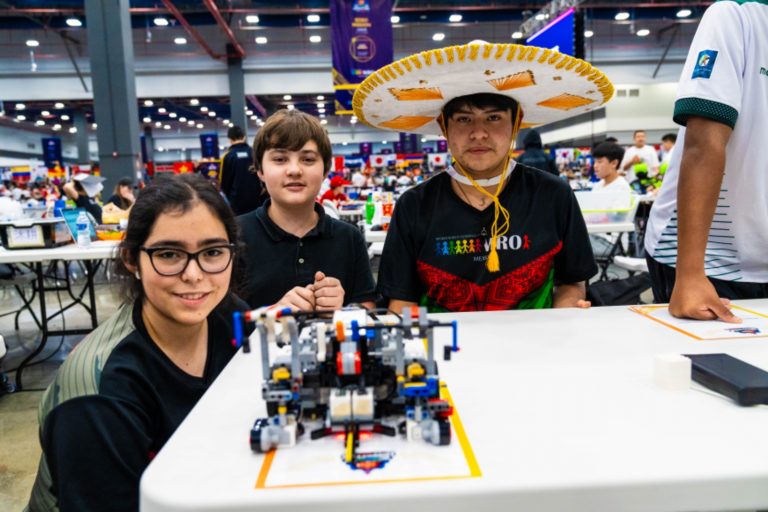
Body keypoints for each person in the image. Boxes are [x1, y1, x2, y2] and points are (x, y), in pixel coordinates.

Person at [27, 173, 249, 511]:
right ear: (132, 260)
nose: (194, 275)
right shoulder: (99, 394)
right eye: (169, 254)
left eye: (213, 252)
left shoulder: (226, 316)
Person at [353, 40, 614, 312]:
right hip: (445, 348)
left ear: (516, 122)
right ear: (444, 126)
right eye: (464, 120)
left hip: (536, 346)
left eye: (493, 118)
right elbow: (401, 301)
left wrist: (563, 316)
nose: (478, 133)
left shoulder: (553, 194)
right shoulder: (414, 205)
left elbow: (573, 281)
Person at [645, 1, 768, 322]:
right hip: (705, 256)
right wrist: (690, 273)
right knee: (706, 368)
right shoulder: (736, 15)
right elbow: (704, 143)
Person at [237, 109, 376, 311]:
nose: (294, 170)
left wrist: (345, 311)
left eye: (308, 159)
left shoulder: (349, 238)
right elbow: (217, 321)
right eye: (280, 159)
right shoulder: (234, 236)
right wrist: (270, 315)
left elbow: (368, 310)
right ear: (260, 170)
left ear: (326, 170)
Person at [219, 125, 265, 215]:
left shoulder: (227, 156)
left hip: (236, 202)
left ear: (229, 139)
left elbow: (224, 182)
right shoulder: (254, 153)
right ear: (244, 137)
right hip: (257, 199)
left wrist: (232, 196)